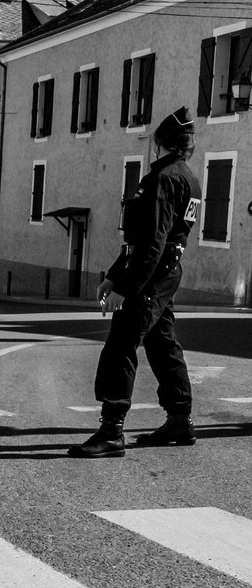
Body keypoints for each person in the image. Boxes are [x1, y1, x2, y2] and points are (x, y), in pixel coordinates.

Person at [69, 105, 202, 458]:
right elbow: (151, 239)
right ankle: (180, 419)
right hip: (166, 273)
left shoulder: (162, 179)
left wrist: (126, 288)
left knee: (120, 345)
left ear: (160, 142)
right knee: (163, 344)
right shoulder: (189, 178)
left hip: (151, 275)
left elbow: (152, 242)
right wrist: (114, 274)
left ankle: (112, 431)